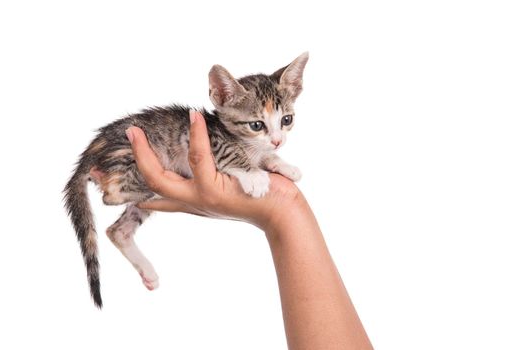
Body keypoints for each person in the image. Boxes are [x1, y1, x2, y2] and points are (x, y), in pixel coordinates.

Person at [125, 110, 373, 350]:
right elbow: (229, 155)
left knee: (145, 194)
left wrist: (282, 200)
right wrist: (274, 194)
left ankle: (122, 224)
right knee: (137, 188)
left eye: (285, 121)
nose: (278, 139)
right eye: (258, 125)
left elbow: (250, 155)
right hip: (147, 151)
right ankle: (120, 201)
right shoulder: (228, 134)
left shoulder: (253, 142)